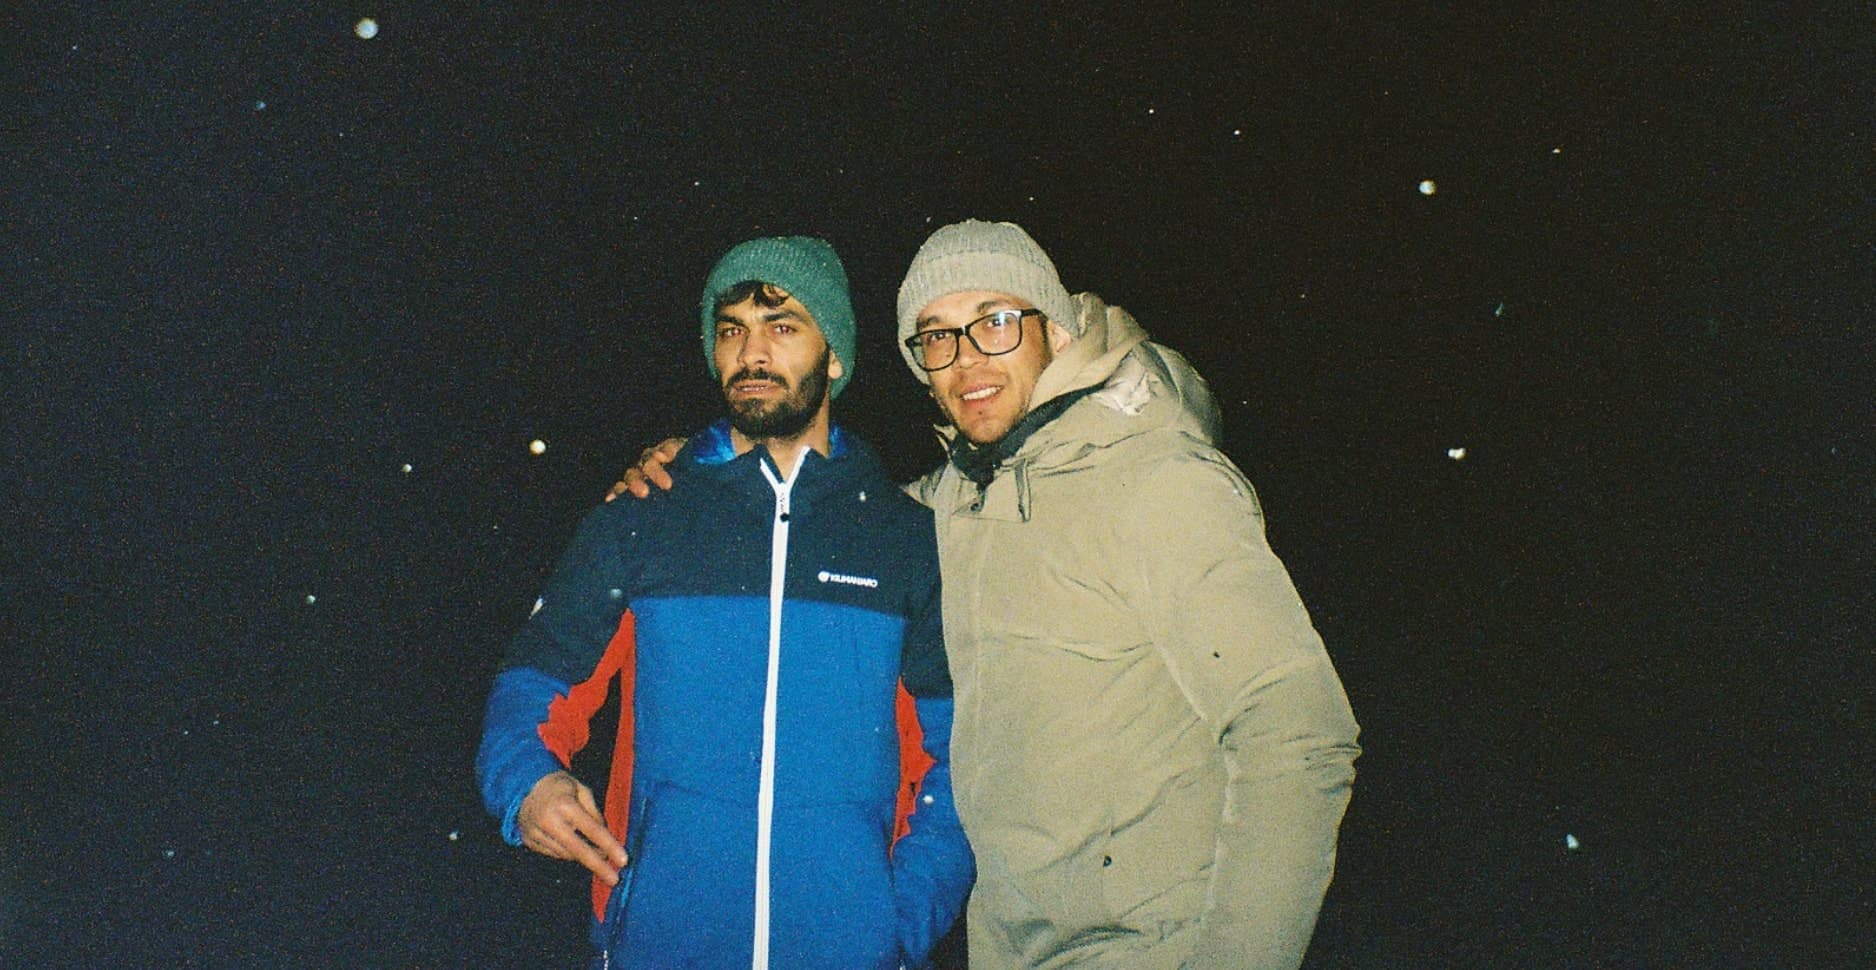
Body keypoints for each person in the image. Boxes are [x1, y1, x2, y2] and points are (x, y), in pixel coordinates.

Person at [617, 220, 1360, 969]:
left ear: (1057, 334)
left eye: (996, 323)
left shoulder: (1159, 485)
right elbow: (818, 521)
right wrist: (706, 470)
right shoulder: (944, 509)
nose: (966, 358)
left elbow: (1296, 734)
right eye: (937, 337)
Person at [477, 236, 973, 970]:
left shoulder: (899, 539)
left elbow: (954, 756)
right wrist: (528, 783)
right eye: (732, 329)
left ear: (833, 355)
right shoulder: (645, 517)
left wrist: (895, 922)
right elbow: (535, 683)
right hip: (662, 947)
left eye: (782, 327)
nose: (752, 353)